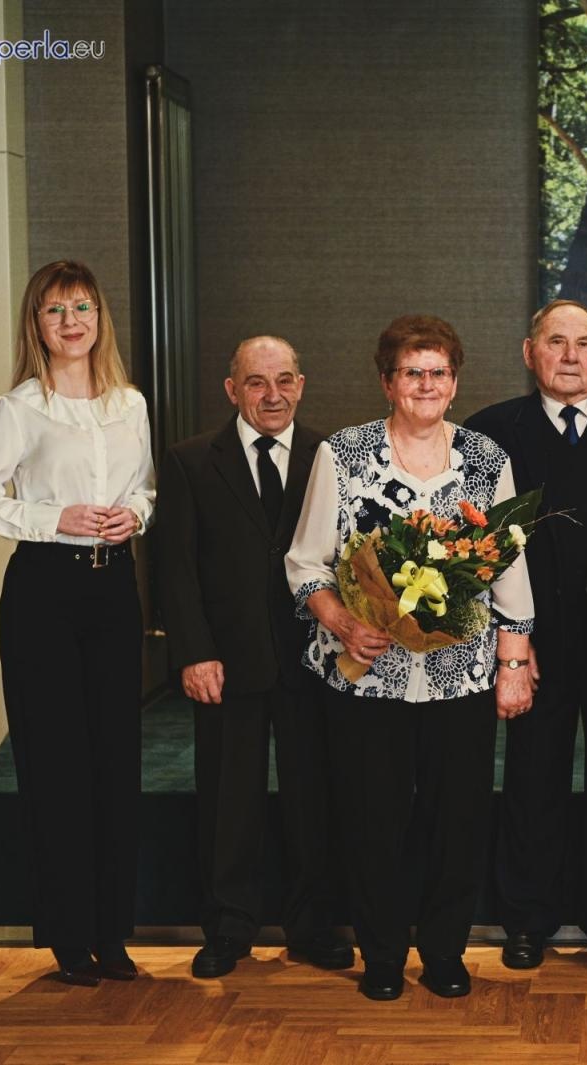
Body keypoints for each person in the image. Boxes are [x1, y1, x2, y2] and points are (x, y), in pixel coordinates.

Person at [285, 314, 535, 1001]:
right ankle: (384, 955)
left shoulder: (486, 459)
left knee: (458, 822)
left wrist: (513, 664)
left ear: (454, 381)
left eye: (439, 372)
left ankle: (446, 953)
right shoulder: (344, 453)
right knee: (375, 823)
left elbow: (509, 568)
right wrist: (341, 622)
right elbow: (306, 561)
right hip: (369, 676)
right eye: (412, 372)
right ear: (388, 381)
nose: (426, 384)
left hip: (461, 677)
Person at [0, 260, 155, 986]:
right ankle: (71, 936)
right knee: (57, 763)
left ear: (100, 317)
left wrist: (136, 513)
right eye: (54, 310)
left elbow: (145, 487)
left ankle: (113, 932)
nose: (71, 321)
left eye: (81, 307)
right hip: (43, 592)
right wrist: (53, 518)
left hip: (112, 593)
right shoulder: (21, 407)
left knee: (115, 760)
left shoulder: (128, 404)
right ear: (35, 324)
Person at [464, 300, 587, 971]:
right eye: (556, 342)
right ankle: (526, 919)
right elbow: (475, 546)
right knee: (531, 781)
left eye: (585, 343)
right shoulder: (489, 433)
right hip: (529, 646)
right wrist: (505, 645)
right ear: (529, 352)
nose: (571, 355)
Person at [156, 336, 351, 979]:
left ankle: (313, 925)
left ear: (301, 382)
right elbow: (174, 569)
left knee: (314, 798)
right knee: (227, 802)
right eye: (258, 382)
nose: (274, 395)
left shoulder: (332, 455)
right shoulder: (189, 462)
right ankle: (228, 928)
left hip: (314, 658)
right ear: (231, 389)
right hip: (226, 661)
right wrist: (193, 651)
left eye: (286, 380)